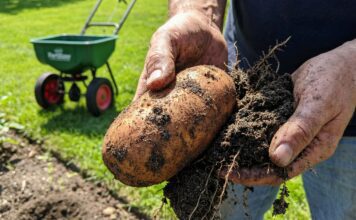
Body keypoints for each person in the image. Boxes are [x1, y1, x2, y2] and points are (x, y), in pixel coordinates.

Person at [134, 1, 356, 219]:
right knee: (223, 210)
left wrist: (351, 65)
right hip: (239, 97)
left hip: (349, 98)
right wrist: (197, 12)